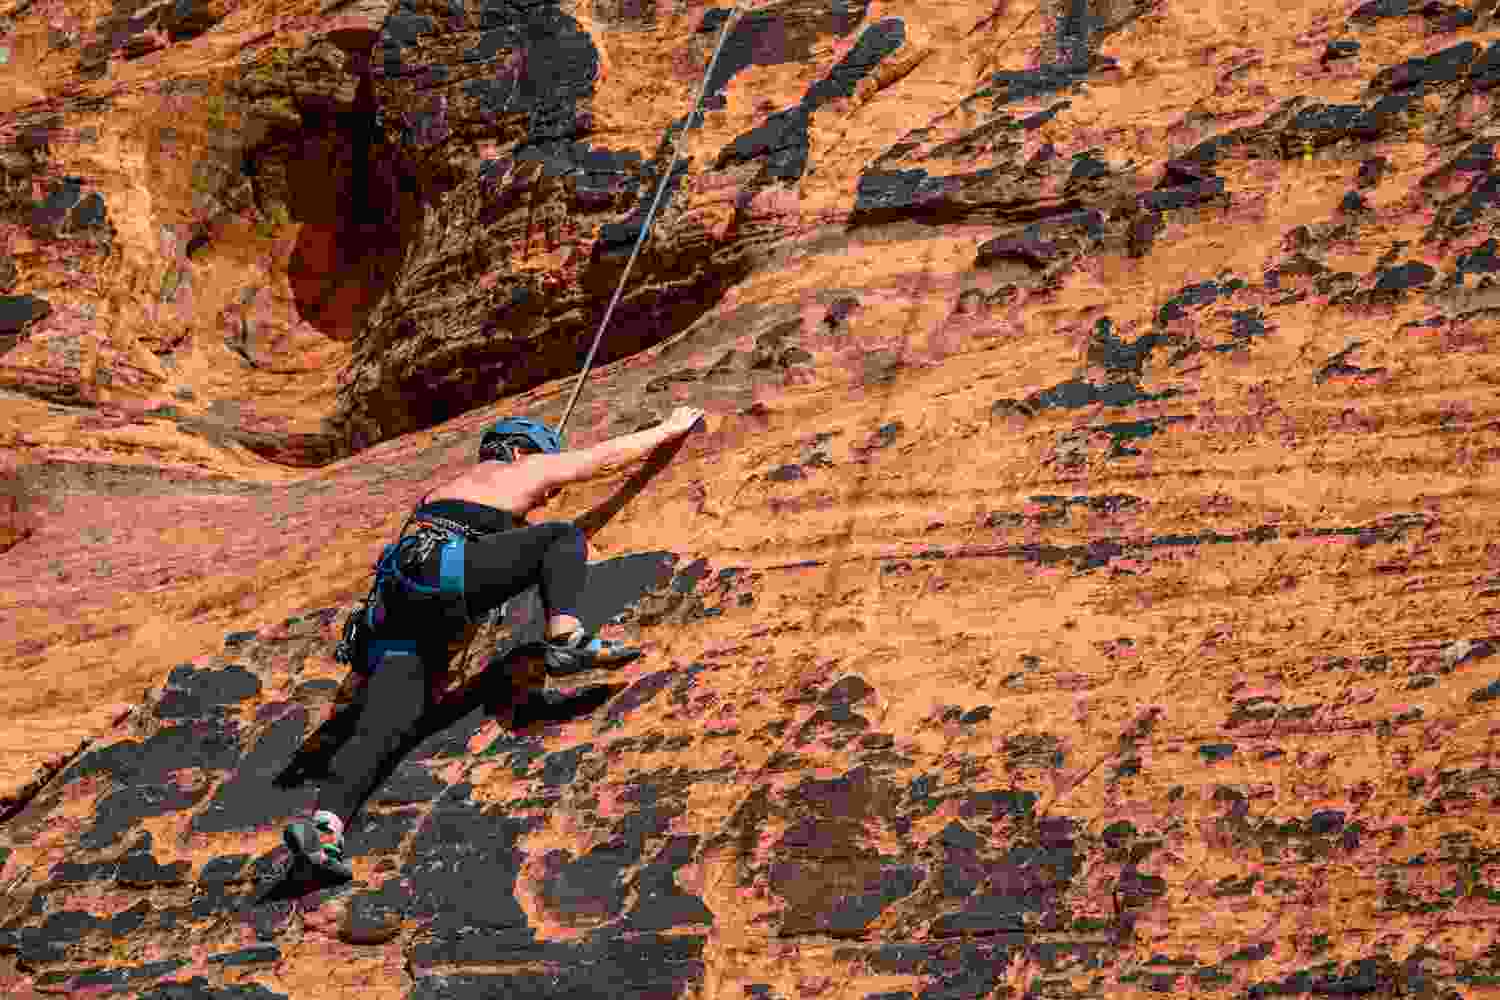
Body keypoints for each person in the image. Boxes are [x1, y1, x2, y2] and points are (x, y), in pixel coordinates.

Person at [283, 405, 706, 883]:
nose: (549, 489)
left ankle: (325, 828)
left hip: (394, 610)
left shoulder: (440, 493)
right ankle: (566, 638)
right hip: (443, 575)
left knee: (383, 730)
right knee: (560, 538)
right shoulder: (523, 468)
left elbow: (483, 542)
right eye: (548, 474)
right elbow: (605, 459)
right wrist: (669, 427)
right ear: (522, 451)